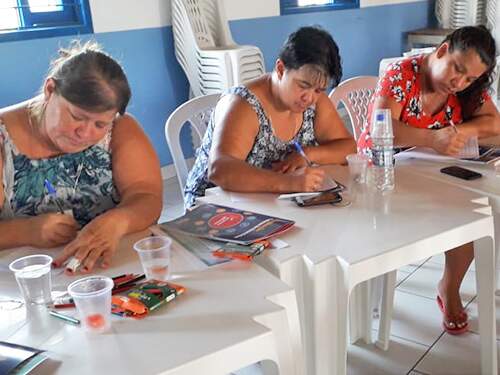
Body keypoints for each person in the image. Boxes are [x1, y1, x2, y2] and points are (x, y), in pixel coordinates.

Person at [359, 26, 500, 334]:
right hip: (383, 174)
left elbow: (495, 123)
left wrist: (462, 132)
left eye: (470, 79)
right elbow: (380, 126)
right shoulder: (401, 74)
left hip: (431, 173)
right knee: (461, 210)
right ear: (441, 51)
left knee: (470, 213)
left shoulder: (465, 90)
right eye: (457, 70)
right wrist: (431, 138)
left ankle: (449, 287)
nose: (459, 83)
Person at [0, 41, 163, 272]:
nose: (85, 134)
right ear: (49, 90)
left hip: (113, 270)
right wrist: (26, 231)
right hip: (27, 281)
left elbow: (146, 195)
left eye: (100, 124)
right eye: (77, 117)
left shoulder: (121, 129)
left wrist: (119, 220)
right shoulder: (4, 139)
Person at [184, 26, 356, 208]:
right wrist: (290, 183)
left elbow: (348, 147)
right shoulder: (243, 104)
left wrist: (307, 154)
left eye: (318, 90)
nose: (309, 97)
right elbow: (220, 169)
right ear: (281, 69)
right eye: (303, 85)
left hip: (269, 203)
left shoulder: (315, 103)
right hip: (214, 205)